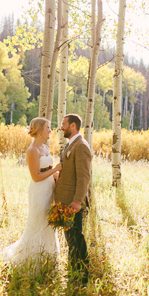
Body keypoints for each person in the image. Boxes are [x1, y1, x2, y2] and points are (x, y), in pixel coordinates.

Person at [1, 117, 62, 270]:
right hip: (39, 190)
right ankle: (32, 258)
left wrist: (60, 177)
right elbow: (35, 177)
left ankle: (48, 256)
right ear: (40, 130)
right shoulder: (32, 151)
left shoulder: (46, 148)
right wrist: (55, 169)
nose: (50, 130)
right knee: (38, 221)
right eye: (48, 127)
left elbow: (49, 170)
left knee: (49, 222)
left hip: (50, 189)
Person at [55, 113, 92, 284]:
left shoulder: (81, 146)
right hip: (65, 200)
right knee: (70, 238)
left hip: (73, 202)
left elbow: (84, 176)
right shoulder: (72, 144)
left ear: (73, 126)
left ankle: (82, 275)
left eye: (64, 124)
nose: (61, 127)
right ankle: (74, 272)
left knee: (76, 237)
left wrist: (78, 200)